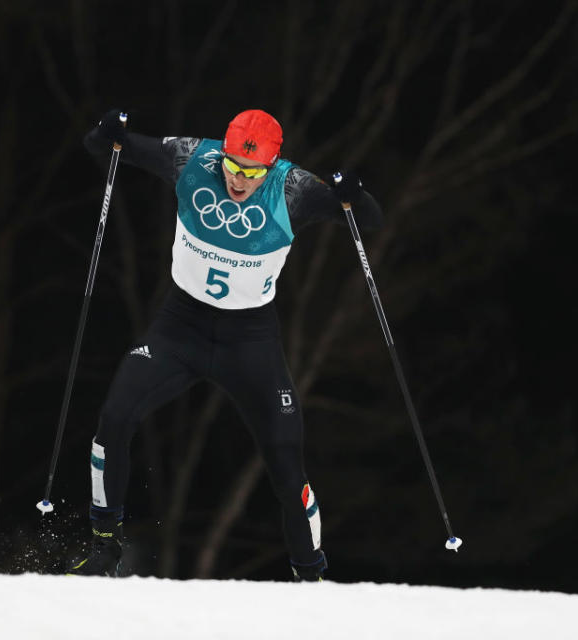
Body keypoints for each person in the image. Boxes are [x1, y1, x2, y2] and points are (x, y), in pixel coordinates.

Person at [71, 108, 383, 581]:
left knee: (284, 457)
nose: (238, 181)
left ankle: (311, 576)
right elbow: (108, 147)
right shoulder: (192, 157)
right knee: (114, 417)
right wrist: (107, 132)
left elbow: (371, 220)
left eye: (251, 172)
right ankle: (103, 548)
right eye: (233, 167)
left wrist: (352, 194)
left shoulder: (294, 188)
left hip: (250, 341)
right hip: (180, 329)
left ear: (271, 166)